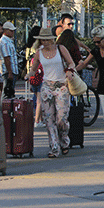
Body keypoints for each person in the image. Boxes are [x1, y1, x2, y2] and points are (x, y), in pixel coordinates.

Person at [27, 28, 79, 157]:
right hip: (46, 86)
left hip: (61, 86)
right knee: (48, 119)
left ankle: (64, 141)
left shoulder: (60, 49)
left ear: (52, 39)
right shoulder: (39, 53)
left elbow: (71, 62)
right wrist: (29, 74)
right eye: (42, 40)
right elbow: (34, 69)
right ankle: (54, 147)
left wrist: (69, 71)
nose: (45, 42)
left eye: (46, 39)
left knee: (61, 118)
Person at [0, 21, 19, 100]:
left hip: (11, 70)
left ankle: (8, 109)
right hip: (8, 71)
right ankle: (4, 109)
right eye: (11, 31)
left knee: (10, 92)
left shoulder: (8, 41)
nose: (12, 32)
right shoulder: (4, 42)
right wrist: (10, 72)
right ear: (5, 31)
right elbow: (7, 58)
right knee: (6, 92)